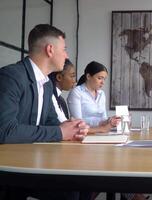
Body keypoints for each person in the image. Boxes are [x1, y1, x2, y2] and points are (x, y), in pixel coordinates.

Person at [0, 24, 89, 199]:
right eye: (64, 49)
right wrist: (59, 132)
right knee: (70, 191)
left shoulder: (47, 85)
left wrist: (73, 129)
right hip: (11, 168)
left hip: (32, 160)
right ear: (50, 49)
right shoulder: (11, 77)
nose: (67, 55)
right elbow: (5, 130)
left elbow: (52, 123)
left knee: (83, 183)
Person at [67, 61, 119, 134]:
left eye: (104, 79)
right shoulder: (76, 92)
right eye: (100, 78)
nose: (103, 82)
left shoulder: (101, 94)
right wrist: (102, 123)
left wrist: (110, 120)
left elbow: (103, 118)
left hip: (100, 133)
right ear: (88, 76)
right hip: (82, 134)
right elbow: (78, 122)